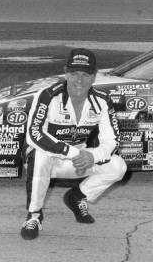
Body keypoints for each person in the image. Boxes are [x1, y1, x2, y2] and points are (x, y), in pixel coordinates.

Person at [20, 48, 126, 240]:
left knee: (118, 166)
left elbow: (111, 140)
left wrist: (91, 156)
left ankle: (76, 197)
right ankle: (34, 215)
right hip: (49, 159)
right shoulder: (47, 96)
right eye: (74, 73)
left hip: (78, 160)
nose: (79, 80)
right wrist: (71, 152)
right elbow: (34, 135)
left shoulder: (102, 101)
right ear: (66, 73)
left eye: (86, 74)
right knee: (39, 155)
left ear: (94, 77)